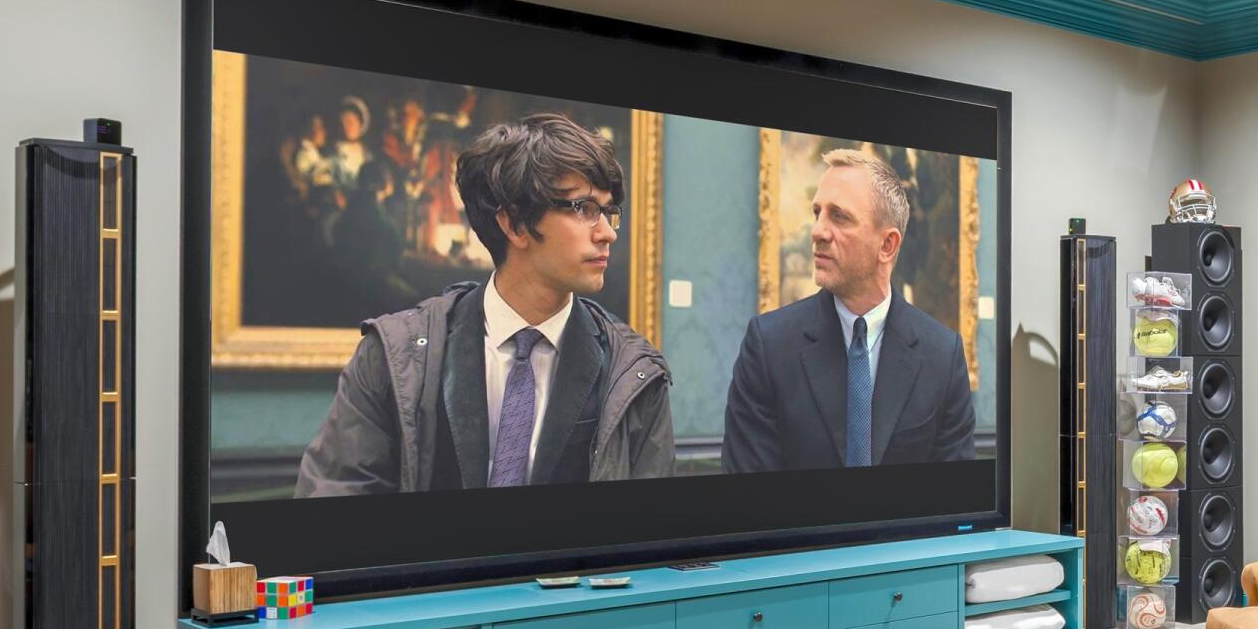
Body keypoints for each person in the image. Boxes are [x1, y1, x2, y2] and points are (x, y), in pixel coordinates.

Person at [295, 112, 672, 494]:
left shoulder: (635, 374)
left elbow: (650, 530)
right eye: (585, 209)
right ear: (514, 224)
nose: (607, 233)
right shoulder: (392, 355)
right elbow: (335, 505)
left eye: (609, 212)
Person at [720, 146, 977, 472]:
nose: (818, 231)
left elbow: (952, 501)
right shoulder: (769, 347)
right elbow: (748, 501)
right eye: (817, 213)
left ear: (887, 245)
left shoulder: (942, 355)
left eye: (839, 217)